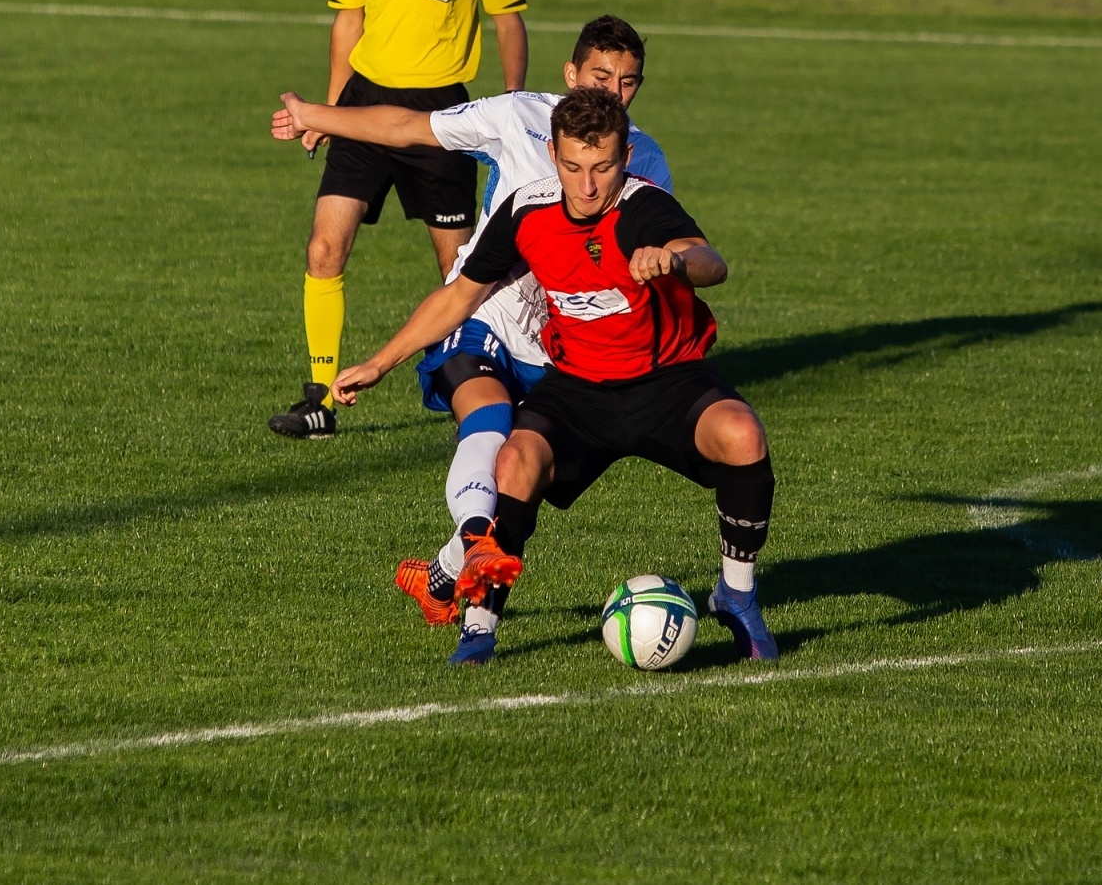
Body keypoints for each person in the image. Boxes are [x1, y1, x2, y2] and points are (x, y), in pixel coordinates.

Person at [331, 88, 780, 666]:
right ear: (552, 152)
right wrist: (379, 362)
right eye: (572, 166)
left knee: (742, 434)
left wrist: (675, 261)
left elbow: (709, 260)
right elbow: (459, 297)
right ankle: (480, 626)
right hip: (578, 390)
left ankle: (736, 596)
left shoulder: (644, 206)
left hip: (665, 381)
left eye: (602, 167)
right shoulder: (526, 209)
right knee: (515, 461)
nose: (587, 185)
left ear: (624, 157)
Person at [272, 16, 669, 634]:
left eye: (628, 82)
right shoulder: (518, 117)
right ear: (570, 75)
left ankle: (443, 571)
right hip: (479, 313)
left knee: (525, 482)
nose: (613, 92)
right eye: (600, 76)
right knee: (485, 420)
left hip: (562, 346)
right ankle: (478, 627)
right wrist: (313, 115)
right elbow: (403, 127)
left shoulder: (645, 160)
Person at [268, 0, 530, 440]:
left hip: (441, 115)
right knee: (324, 248)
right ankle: (319, 399)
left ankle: (480, 380)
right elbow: (347, 22)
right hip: (363, 106)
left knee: (459, 266)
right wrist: (328, 114)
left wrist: (514, 105)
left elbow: (509, 19)